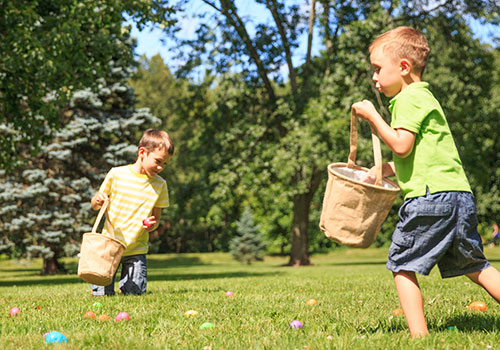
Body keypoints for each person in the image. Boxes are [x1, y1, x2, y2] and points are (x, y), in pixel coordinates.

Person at [351, 26, 500, 338]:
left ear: (404, 67)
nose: (374, 78)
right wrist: (384, 170)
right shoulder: (425, 97)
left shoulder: (408, 99)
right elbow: (415, 154)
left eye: (378, 69)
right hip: (457, 197)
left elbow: (401, 145)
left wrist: (372, 117)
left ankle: (419, 337)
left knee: (402, 266)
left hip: (430, 199)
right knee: (476, 266)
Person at [90, 129, 174, 296]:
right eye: (158, 161)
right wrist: (97, 200)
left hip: (136, 249)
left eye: (165, 164)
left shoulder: (160, 185)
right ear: (142, 152)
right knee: (101, 294)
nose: (160, 167)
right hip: (110, 245)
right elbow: (95, 205)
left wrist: (152, 224)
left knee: (134, 294)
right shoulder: (117, 174)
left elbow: (156, 220)